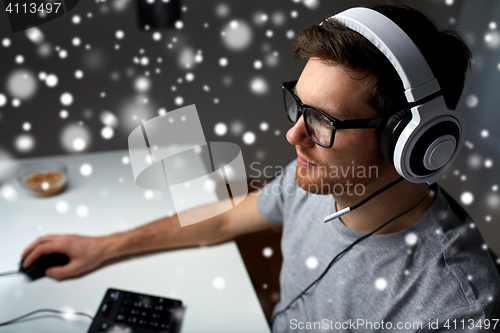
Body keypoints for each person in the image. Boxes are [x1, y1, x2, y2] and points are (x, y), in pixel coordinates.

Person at [21, 3, 500, 332]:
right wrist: (103, 246)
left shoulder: (452, 306)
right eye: (299, 106)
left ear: (410, 143)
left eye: (323, 121)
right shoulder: (313, 179)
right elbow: (227, 218)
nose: (293, 137)